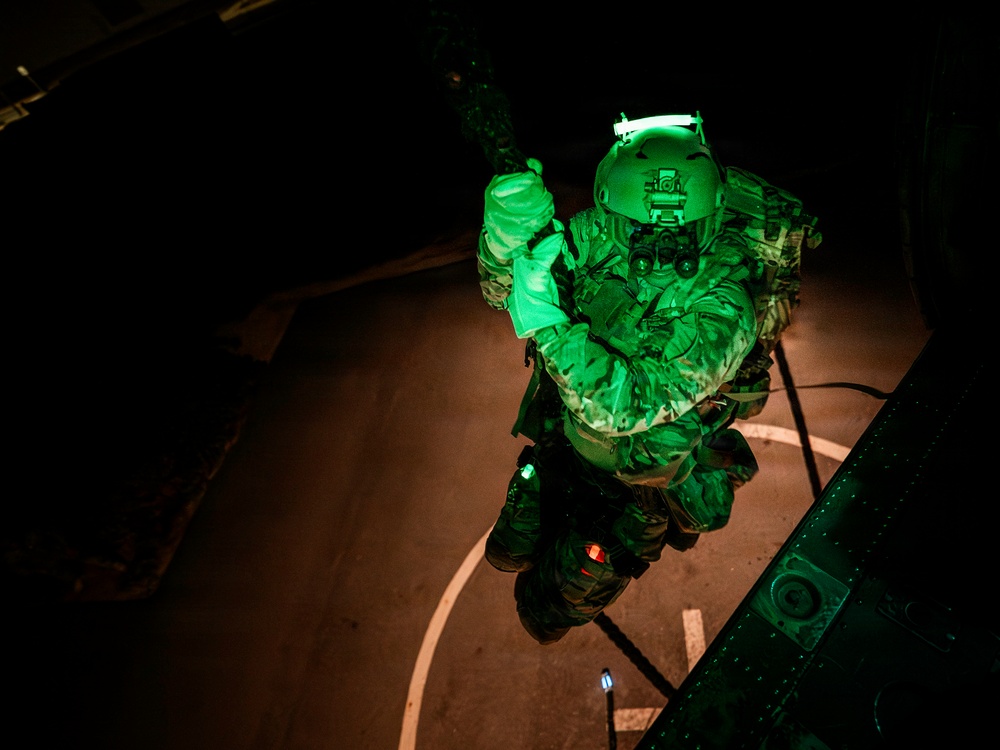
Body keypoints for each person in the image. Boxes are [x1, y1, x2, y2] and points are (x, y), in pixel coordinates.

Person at [476, 112, 822, 644]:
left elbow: (621, 406)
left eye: (682, 232)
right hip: (567, 438)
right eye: (640, 229)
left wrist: (546, 324)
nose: (660, 248)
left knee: (549, 609)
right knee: (507, 549)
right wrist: (504, 244)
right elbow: (503, 287)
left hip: (636, 486)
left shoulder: (724, 305)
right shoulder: (596, 237)